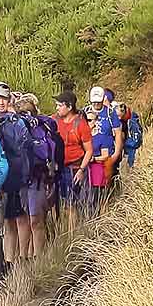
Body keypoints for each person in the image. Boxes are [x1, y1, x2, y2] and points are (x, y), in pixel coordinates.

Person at [0, 83, 29, 266]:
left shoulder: (17, 122)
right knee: (5, 224)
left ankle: (23, 258)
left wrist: (24, 177)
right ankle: (9, 261)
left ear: (9, 100)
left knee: (19, 219)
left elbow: (25, 149)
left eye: (3, 98)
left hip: (16, 178)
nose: (0, 102)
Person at [14, 92, 55, 258]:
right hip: (22, 179)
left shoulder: (40, 129)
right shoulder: (15, 128)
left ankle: (38, 257)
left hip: (36, 178)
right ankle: (25, 256)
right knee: (25, 220)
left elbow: (45, 153)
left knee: (35, 219)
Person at [53, 91, 93, 225]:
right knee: (63, 203)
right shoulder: (54, 120)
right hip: (59, 168)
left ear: (69, 107)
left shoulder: (80, 124)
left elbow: (89, 150)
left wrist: (82, 170)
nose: (57, 108)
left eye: (60, 105)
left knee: (73, 203)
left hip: (75, 168)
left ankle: (73, 233)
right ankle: (65, 230)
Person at [85, 104, 114, 212]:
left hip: (97, 169)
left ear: (96, 121)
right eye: (86, 120)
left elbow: (105, 155)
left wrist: (94, 159)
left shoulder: (102, 137)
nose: (87, 122)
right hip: (85, 169)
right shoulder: (83, 136)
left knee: (97, 196)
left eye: (90, 120)